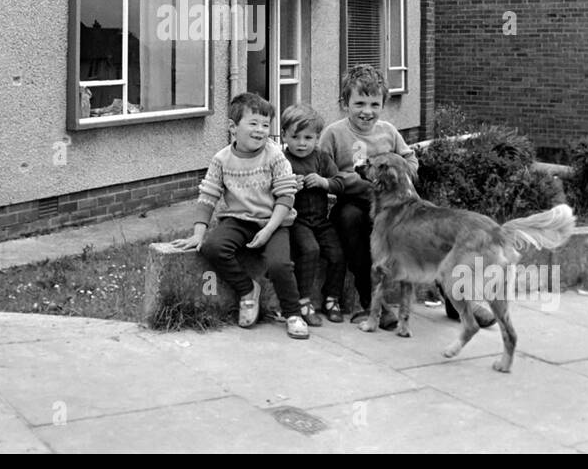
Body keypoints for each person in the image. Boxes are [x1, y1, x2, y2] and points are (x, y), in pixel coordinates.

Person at [171, 92, 309, 339]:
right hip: (238, 220)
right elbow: (208, 196)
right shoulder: (221, 159)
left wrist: (268, 231)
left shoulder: (275, 155)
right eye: (253, 123)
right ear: (233, 127)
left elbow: (286, 197)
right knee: (212, 247)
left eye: (266, 125)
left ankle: (293, 313)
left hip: (273, 221)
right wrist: (198, 233)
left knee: (279, 265)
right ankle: (247, 290)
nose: (260, 130)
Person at [319, 65, 416, 326]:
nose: (367, 111)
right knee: (351, 222)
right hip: (353, 204)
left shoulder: (388, 132)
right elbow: (325, 175)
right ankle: (373, 302)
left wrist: (397, 172)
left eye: (375, 104)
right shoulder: (333, 134)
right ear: (345, 103)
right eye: (359, 103)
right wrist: (354, 181)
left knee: (429, 233)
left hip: (391, 205)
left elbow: (410, 160)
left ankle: (458, 301)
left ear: (383, 104)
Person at [279, 103, 346, 324]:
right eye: (295, 137)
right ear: (284, 136)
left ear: (317, 138)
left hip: (320, 219)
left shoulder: (321, 158)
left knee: (337, 253)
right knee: (310, 250)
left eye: (308, 138)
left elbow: (340, 183)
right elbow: (270, 188)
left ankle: (332, 297)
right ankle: (303, 300)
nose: (301, 143)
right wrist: (289, 186)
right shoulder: (282, 160)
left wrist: (323, 182)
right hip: (297, 220)